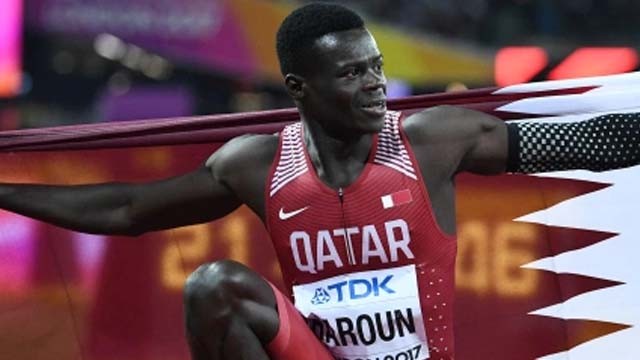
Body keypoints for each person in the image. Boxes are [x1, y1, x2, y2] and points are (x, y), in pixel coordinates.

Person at [1, 3, 639, 360]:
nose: (374, 84)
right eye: (352, 73)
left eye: (376, 67)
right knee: (212, 286)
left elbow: (582, 142)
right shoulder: (255, 163)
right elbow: (127, 208)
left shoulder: (432, 139)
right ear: (301, 89)